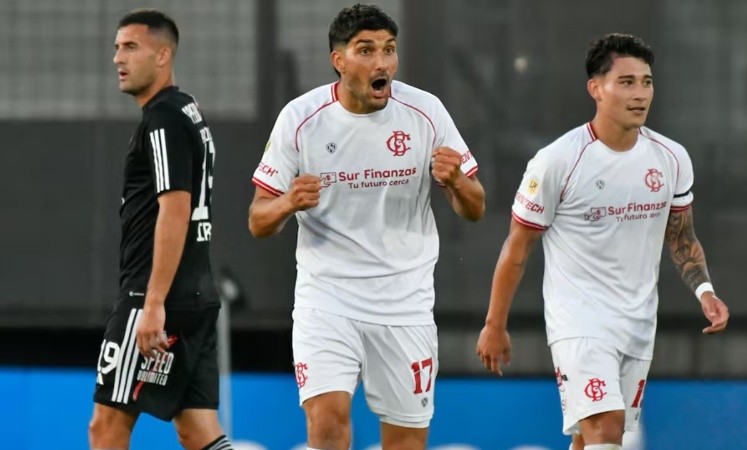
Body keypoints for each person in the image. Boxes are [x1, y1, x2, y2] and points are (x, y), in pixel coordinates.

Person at [475, 33, 729, 450]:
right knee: (606, 430)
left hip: (638, 322)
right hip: (579, 320)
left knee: (592, 438)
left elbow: (682, 237)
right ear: (596, 88)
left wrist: (705, 291)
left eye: (646, 82)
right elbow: (517, 248)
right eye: (626, 82)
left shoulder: (671, 158)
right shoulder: (558, 160)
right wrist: (494, 324)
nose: (640, 93)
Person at [248, 4, 485, 450]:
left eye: (389, 50)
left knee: (405, 443)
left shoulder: (426, 112)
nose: (382, 63)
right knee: (327, 424)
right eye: (366, 50)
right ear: (339, 61)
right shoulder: (300, 119)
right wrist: (286, 203)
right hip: (327, 299)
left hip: (404, 303)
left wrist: (455, 181)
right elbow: (258, 220)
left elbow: (475, 207)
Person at [89, 9, 232, 450]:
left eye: (131, 47)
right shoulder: (187, 110)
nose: (118, 57)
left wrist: (152, 304)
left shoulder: (164, 118)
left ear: (164, 55)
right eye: (116, 47)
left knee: (107, 426)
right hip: (196, 294)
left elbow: (176, 209)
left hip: (154, 297)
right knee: (197, 429)